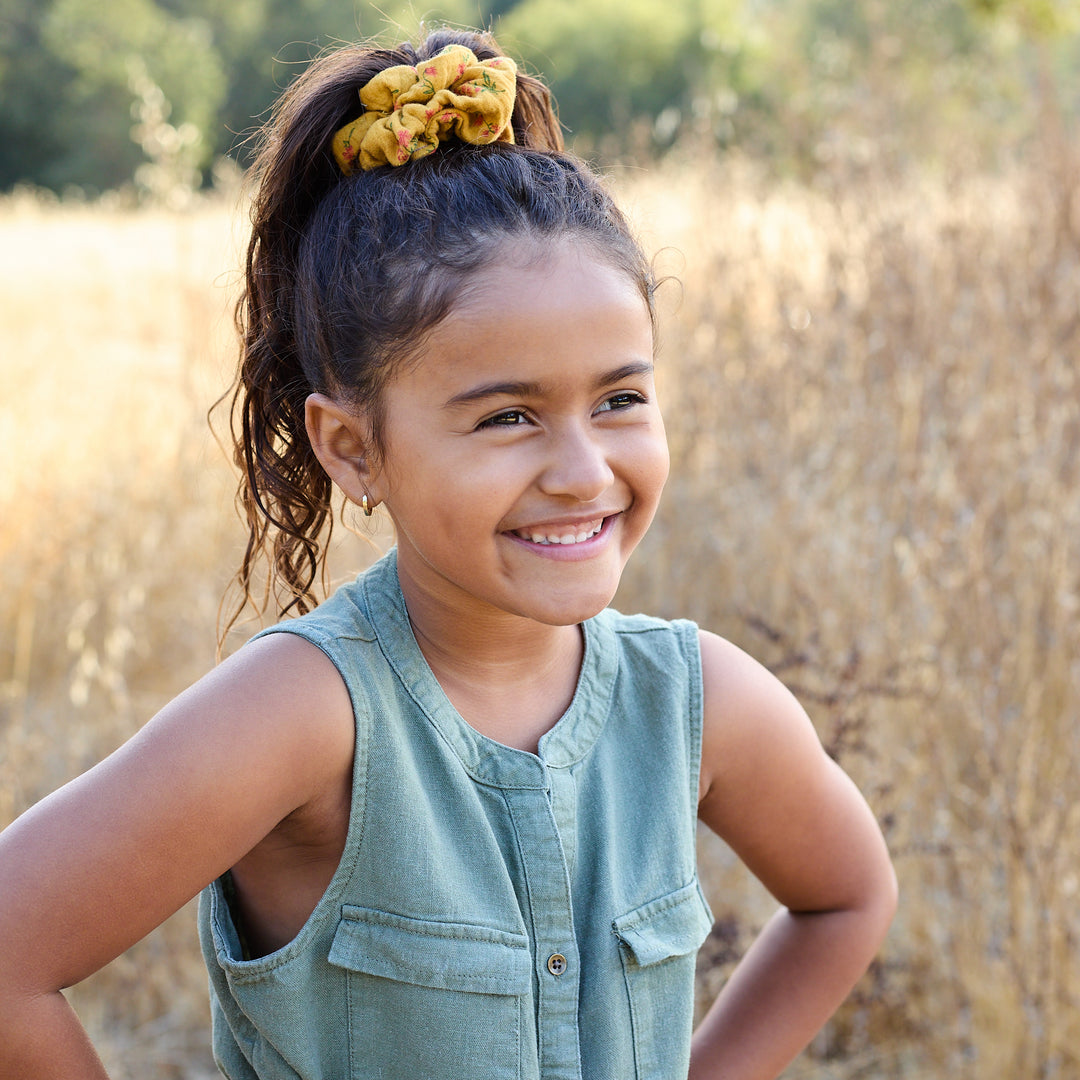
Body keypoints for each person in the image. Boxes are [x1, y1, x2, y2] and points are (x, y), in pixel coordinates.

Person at [0, 26, 896, 1080]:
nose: (580, 470)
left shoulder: (697, 701)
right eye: (507, 418)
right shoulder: (305, 713)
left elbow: (848, 896)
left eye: (620, 399)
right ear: (353, 446)